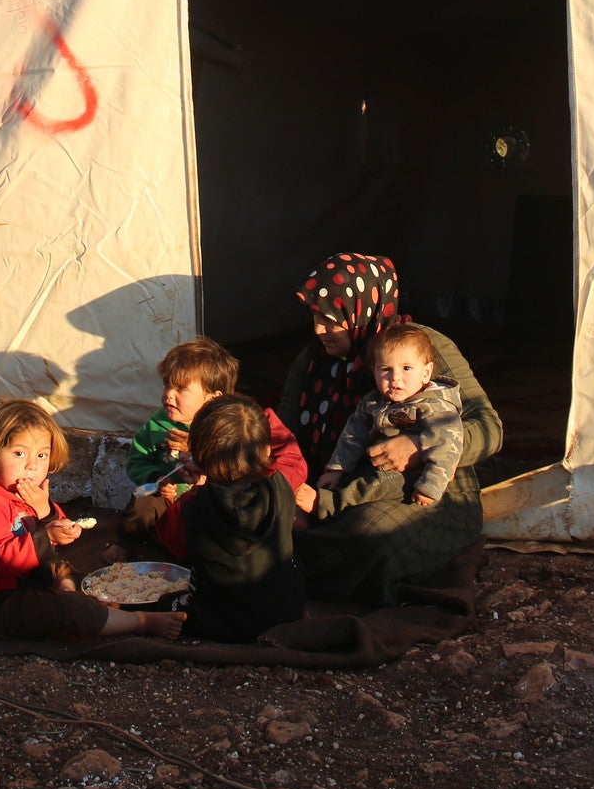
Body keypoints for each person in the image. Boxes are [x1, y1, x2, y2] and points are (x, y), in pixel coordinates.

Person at [282, 253, 504, 605]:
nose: (318, 330)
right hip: (336, 486)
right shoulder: (313, 360)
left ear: (360, 308)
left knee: (369, 536)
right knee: (261, 517)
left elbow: (489, 427)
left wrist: (418, 446)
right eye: (315, 316)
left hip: (424, 489)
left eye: (329, 319)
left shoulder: (419, 348)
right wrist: (289, 486)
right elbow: (285, 434)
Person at [0, 397, 184, 641]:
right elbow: (2, 560)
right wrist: (47, 535)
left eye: (42, 455)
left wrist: (49, 516)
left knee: (67, 571)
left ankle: (82, 600)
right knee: (68, 609)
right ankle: (139, 622)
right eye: (19, 453)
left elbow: (53, 527)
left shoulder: (20, 493)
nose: (32, 466)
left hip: (27, 581)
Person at [122, 337, 310, 540]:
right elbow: (137, 461)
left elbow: (287, 465)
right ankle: (125, 541)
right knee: (142, 506)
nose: (169, 394)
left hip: (219, 503)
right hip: (170, 500)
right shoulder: (157, 425)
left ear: (214, 397)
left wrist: (203, 451)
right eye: (167, 384)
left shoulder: (240, 425)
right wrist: (158, 479)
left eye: (181, 388)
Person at [151, 394, 304, 642]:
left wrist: (196, 486)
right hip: (284, 614)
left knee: (164, 602)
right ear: (266, 450)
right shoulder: (281, 486)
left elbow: (172, 540)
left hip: (217, 621)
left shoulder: (192, 506)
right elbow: (289, 456)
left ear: (198, 456)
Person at [318, 325, 464, 507]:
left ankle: (328, 503)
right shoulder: (372, 402)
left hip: (413, 475)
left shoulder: (435, 407)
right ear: (374, 371)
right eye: (386, 369)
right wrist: (337, 468)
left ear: (426, 373)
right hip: (378, 463)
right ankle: (333, 499)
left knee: (374, 486)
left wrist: (430, 487)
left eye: (407, 368)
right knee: (361, 480)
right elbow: (352, 436)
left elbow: (446, 447)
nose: (395, 378)